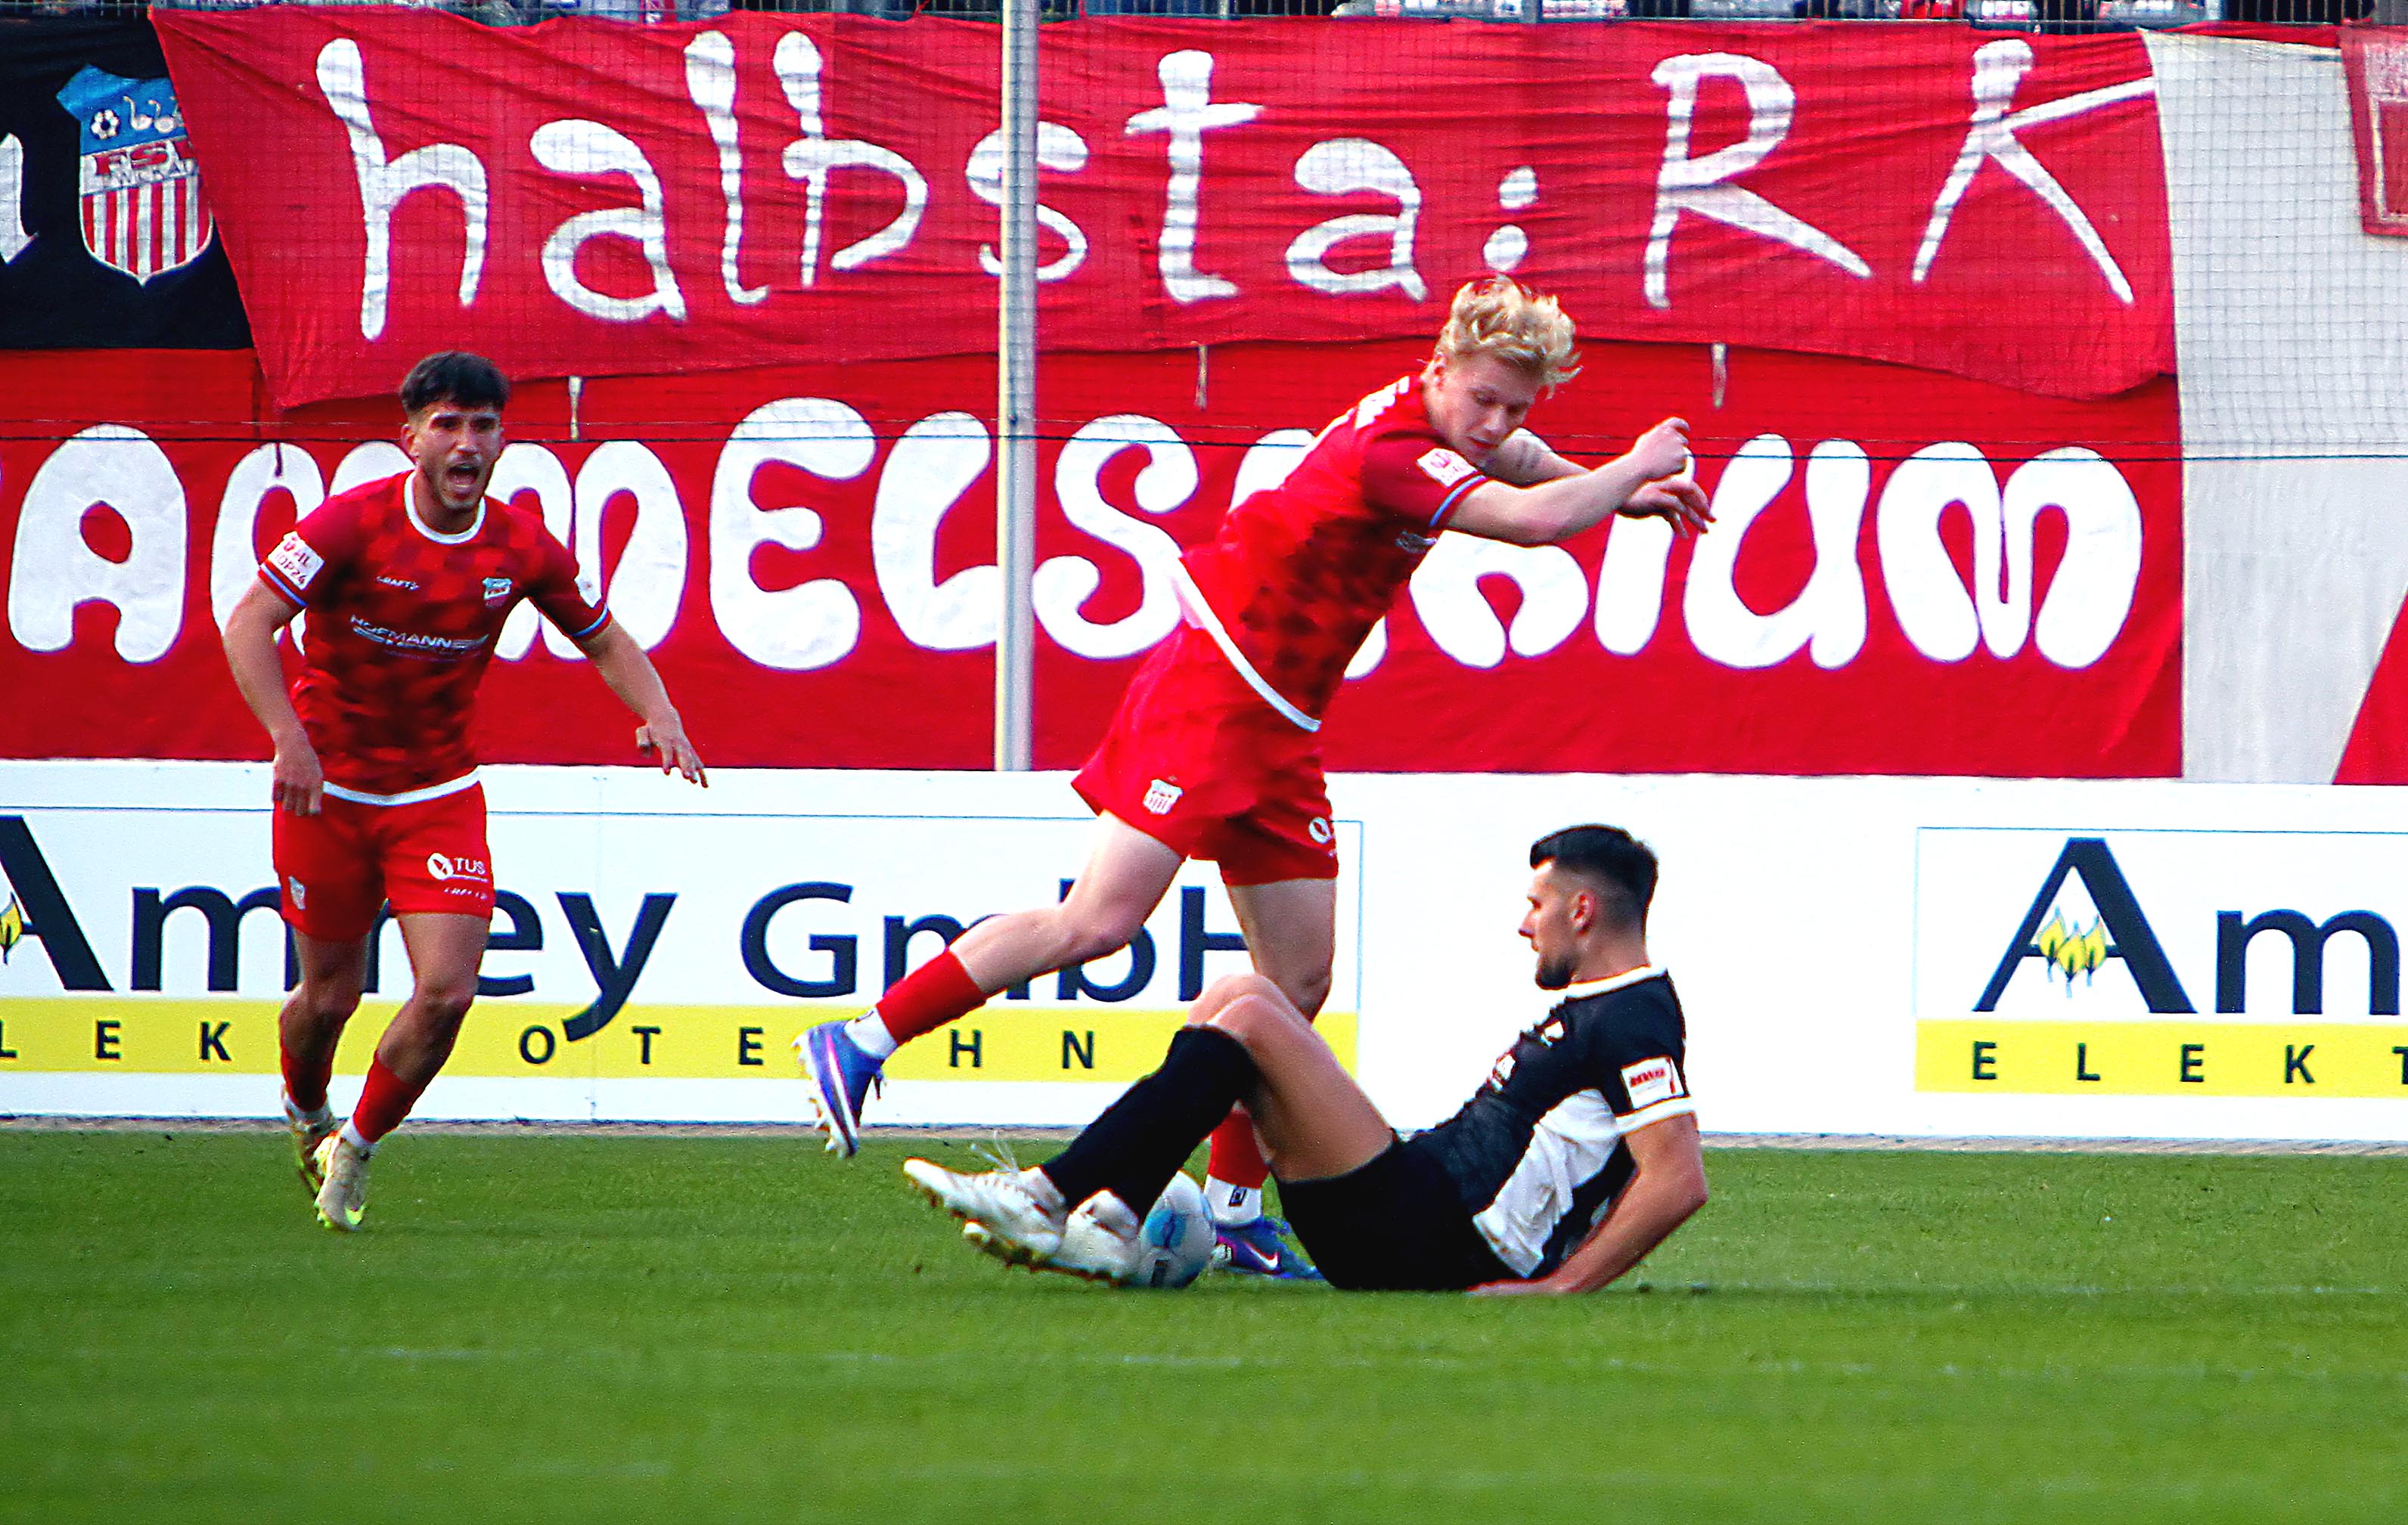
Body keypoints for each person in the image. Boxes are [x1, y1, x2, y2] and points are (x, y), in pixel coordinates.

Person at [794, 277, 1711, 1279]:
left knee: (1299, 981)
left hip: (1280, 725)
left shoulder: (1447, 425)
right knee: (1099, 922)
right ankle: (864, 1036)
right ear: (1438, 370)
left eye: (1514, 408)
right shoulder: (1391, 451)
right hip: (1214, 688)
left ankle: (1232, 1209)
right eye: (1482, 399)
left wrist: (1610, 485)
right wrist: (1633, 467)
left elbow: (1525, 465)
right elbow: (1533, 522)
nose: (1494, 425)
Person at [221, 350, 708, 1232]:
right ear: (408, 438)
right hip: (325, 792)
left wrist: (660, 711)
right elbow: (249, 619)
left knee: (446, 991)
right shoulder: (349, 525)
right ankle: (307, 1111)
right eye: (446, 424)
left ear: (501, 439)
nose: (465, 442)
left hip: (437, 795)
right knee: (328, 998)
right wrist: (288, 741)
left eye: (482, 425)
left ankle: (355, 1150)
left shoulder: (519, 543)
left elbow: (602, 637)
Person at [905, 824, 1708, 1293]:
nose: (1523, 925)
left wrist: (1563, 1286)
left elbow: (1675, 1178)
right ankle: (1110, 1214)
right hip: (1411, 1208)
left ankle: (1051, 1194)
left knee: (1253, 1007)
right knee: (1236, 997)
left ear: (1582, 909)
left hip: (1435, 1238)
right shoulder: (1604, 1009)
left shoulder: (1633, 1015)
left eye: (1535, 907)